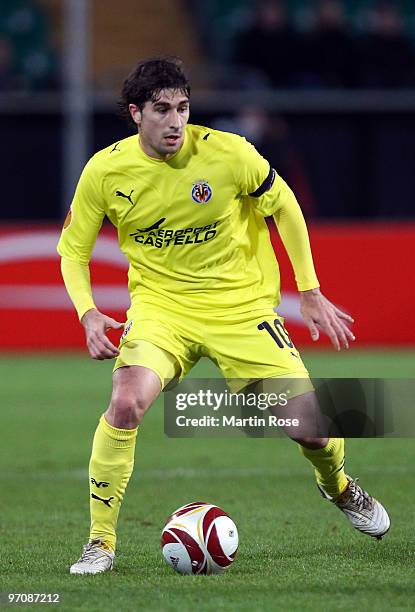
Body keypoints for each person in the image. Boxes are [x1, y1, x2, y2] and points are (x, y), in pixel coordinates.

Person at [57, 57, 390, 575]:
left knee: (311, 430)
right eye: (162, 110)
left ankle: (340, 488)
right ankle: (100, 542)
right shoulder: (105, 170)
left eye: (183, 108)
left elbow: (286, 207)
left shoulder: (229, 154)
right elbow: (73, 251)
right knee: (125, 403)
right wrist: (88, 314)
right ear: (135, 113)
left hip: (241, 310)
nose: (175, 121)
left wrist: (310, 290)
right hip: (162, 310)